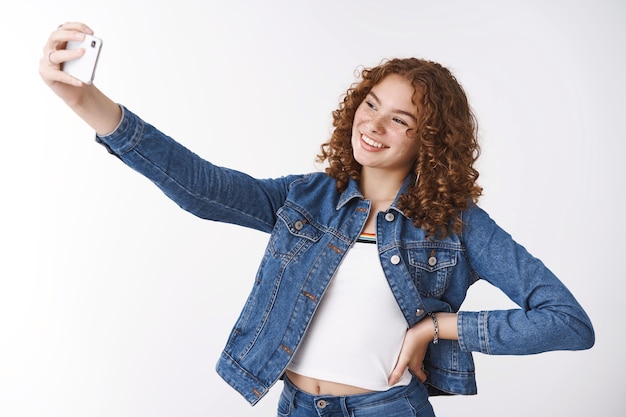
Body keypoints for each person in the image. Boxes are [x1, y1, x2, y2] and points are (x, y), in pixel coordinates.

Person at [39, 22, 594, 417]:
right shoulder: (306, 199)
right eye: (371, 103)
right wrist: (84, 98)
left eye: (399, 119)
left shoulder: (458, 225)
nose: (373, 123)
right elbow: (201, 188)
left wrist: (440, 327)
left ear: (430, 140)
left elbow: (568, 321)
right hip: (297, 407)